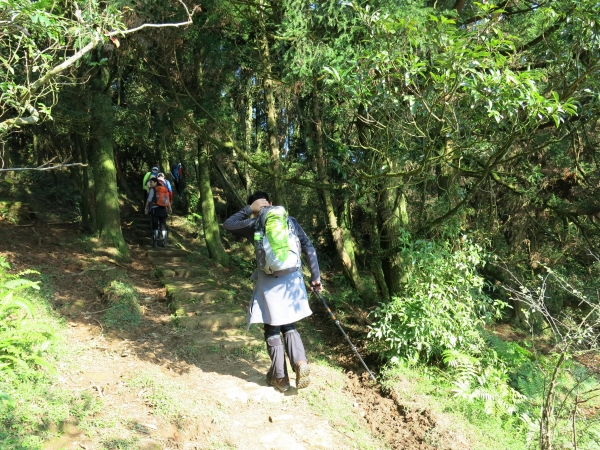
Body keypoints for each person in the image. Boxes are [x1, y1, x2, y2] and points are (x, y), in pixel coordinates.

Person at [223, 191, 322, 392]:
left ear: (256, 207)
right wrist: (315, 277)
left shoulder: (255, 223)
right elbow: (309, 247)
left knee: (272, 326)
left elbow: (228, 224)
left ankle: (280, 378)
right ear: (271, 203)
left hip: (268, 280)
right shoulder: (290, 221)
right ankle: (300, 362)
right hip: (293, 278)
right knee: (289, 323)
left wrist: (250, 210)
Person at [145, 176, 171, 247]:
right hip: (163, 210)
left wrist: (146, 208)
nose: (150, 184)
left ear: (155, 182)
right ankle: (164, 241)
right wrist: (169, 208)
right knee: (163, 226)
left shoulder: (153, 189)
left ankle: (155, 242)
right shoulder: (164, 189)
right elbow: (167, 200)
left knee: (155, 225)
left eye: (151, 182)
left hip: (155, 209)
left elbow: (149, 199)